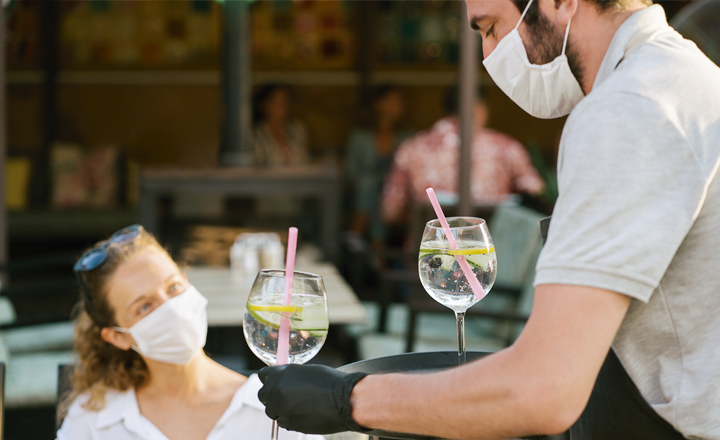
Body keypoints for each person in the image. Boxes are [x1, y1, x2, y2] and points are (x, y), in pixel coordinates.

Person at [258, 0, 720, 439]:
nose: (488, 55)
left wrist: (344, 399)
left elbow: (543, 389)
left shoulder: (629, 108)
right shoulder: (685, 76)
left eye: (491, 28)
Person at [57, 225, 322, 440]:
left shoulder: (277, 408)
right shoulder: (94, 419)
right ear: (118, 336)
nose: (172, 309)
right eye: (145, 306)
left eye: (173, 287)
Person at [381, 86, 544, 225]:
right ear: (479, 108)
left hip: (429, 254)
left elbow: (390, 211)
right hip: (494, 254)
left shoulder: (411, 148)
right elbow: (537, 195)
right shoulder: (507, 148)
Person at [345, 86, 413, 244]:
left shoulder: (407, 137)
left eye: (399, 102)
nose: (396, 106)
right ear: (377, 104)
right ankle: (378, 251)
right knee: (370, 187)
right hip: (364, 194)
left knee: (377, 191)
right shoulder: (359, 138)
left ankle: (355, 234)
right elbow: (351, 172)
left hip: (394, 195)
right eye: (391, 101)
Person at [252, 84, 309, 167]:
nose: (283, 107)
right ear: (264, 105)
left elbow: (305, 160)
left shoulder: (297, 130)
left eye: (285, 101)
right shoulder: (254, 135)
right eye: (277, 102)